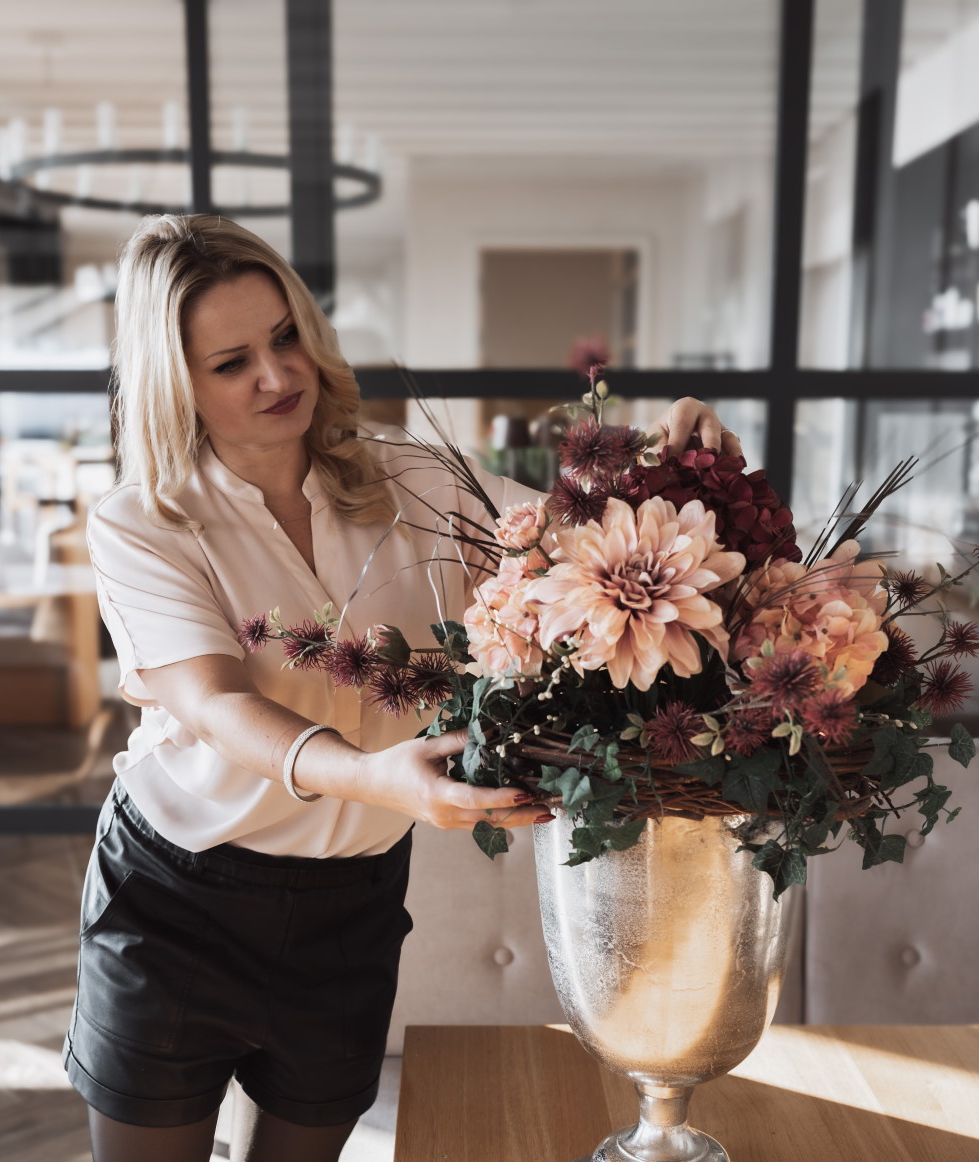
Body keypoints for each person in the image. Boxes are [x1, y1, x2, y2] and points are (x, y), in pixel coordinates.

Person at [63, 213, 742, 1162]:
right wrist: (377, 776)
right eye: (231, 363)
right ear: (173, 383)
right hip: (178, 898)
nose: (277, 376)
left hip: (350, 902)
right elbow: (216, 702)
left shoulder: (417, 478)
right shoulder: (143, 522)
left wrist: (678, 460)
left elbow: (583, 549)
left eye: (286, 336)